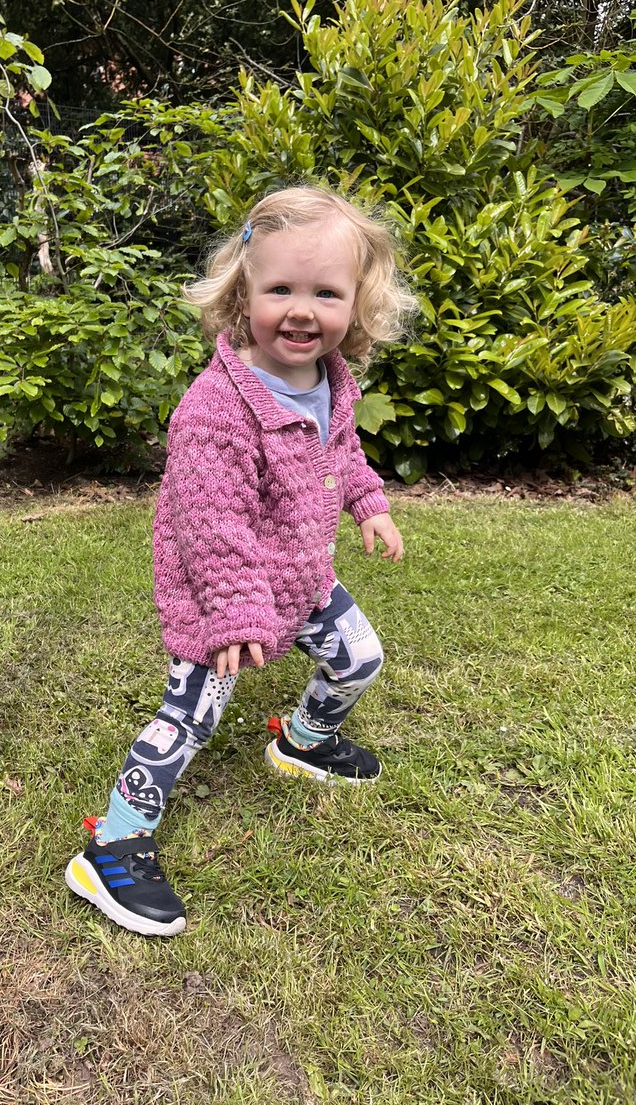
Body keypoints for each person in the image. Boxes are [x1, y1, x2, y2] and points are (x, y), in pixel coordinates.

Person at [65, 185, 417, 937]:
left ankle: (305, 742)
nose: (302, 310)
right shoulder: (215, 409)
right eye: (280, 289)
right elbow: (209, 520)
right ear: (241, 294)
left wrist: (369, 502)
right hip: (219, 599)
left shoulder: (330, 381)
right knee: (190, 718)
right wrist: (234, 615)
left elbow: (339, 451)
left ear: (357, 304)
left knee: (359, 657)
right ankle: (114, 842)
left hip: (300, 579)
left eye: (326, 292)